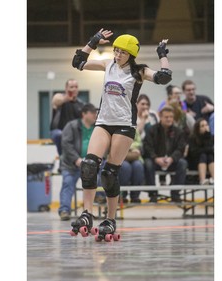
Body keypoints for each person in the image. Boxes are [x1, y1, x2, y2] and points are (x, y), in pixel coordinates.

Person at [69, 28, 173, 239]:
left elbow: (164, 78)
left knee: (109, 173)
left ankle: (110, 218)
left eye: (122, 52)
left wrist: (162, 55)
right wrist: (94, 40)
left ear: (131, 55)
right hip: (104, 122)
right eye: (116, 51)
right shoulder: (108, 64)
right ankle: (87, 213)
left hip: (125, 125)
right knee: (89, 165)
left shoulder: (139, 71)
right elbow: (78, 62)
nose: (117, 55)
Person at [58, 103, 98, 221]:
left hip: (91, 164)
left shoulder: (97, 128)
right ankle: (64, 210)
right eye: (92, 113)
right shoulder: (71, 126)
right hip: (71, 164)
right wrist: (76, 159)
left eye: (96, 113)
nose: (95, 115)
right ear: (84, 114)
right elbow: (66, 144)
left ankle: (93, 207)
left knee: (102, 177)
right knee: (68, 182)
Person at [143, 106, 188, 203]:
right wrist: (156, 158)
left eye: (171, 117)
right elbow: (147, 147)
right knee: (147, 163)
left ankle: (175, 194)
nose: (169, 119)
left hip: (172, 161)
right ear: (160, 117)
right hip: (156, 161)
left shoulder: (178, 131)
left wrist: (172, 158)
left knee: (183, 163)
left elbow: (181, 148)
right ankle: (153, 194)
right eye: (166, 117)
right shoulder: (152, 130)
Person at [50, 79, 85, 156]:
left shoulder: (81, 104)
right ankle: (63, 156)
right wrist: (67, 98)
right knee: (59, 135)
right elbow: (56, 101)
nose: (74, 89)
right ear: (66, 88)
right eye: (71, 87)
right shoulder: (60, 98)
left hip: (74, 135)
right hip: (59, 131)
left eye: (76, 87)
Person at [184, 118, 214, 185]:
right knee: (203, 155)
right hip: (195, 162)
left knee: (210, 156)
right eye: (202, 126)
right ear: (198, 128)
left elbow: (211, 150)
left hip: (207, 161)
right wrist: (205, 150)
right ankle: (202, 180)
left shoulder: (210, 137)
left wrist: (207, 136)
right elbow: (194, 152)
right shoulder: (192, 138)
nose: (205, 127)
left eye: (206, 125)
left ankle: (214, 178)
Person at [119, 130, 144, 203]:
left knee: (138, 166)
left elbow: (139, 144)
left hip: (135, 156)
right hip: (120, 156)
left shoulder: (134, 129)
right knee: (125, 167)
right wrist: (131, 148)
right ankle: (121, 195)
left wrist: (131, 148)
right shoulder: (116, 126)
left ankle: (135, 196)